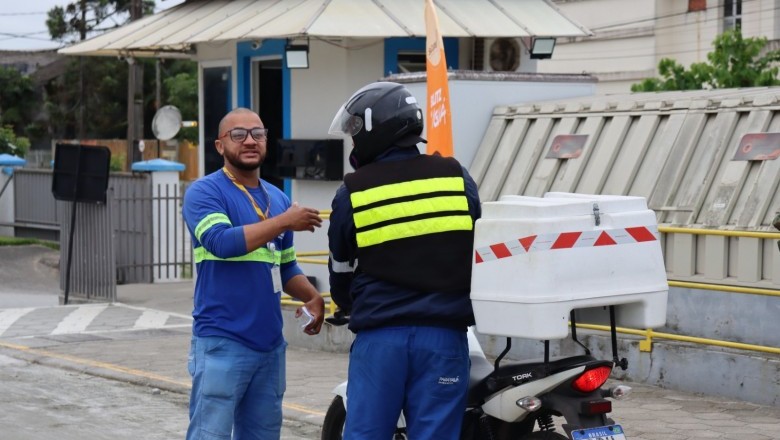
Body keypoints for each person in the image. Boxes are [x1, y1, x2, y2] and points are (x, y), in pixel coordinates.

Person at [326, 81, 481, 440]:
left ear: (372, 130)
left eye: (355, 132)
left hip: (381, 339)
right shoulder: (457, 178)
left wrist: (348, 303)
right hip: (445, 338)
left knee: (365, 434)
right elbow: (476, 242)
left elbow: (341, 271)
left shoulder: (353, 192)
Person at [182, 107, 325, 440]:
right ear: (220, 146)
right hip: (222, 341)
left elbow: (285, 266)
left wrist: (312, 296)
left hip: (270, 346)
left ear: (266, 142)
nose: (249, 141)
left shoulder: (277, 198)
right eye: (238, 134)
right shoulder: (205, 193)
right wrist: (284, 221)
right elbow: (221, 242)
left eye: (257, 134)